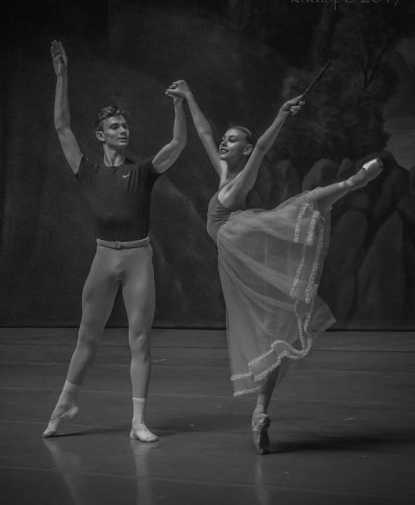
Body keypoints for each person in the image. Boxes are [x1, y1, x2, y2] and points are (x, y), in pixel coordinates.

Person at [166, 80, 383, 454]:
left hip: (236, 238)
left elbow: (263, 147)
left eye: (233, 140)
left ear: (246, 149)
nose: (224, 142)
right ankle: (260, 411)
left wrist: (281, 115)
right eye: (227, 139)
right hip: (238, 254)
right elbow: (204, 132)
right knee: (269, 331)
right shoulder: (223, 175)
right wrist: (188, 99)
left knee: (304, 207)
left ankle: (350, 182)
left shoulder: (241, 178)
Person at [42, 40, 187, 441]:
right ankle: (65, 402)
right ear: (100, 134)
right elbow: (61, 126)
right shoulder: (87, 171)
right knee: (87, 337)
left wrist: (180, 105)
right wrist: (62, 76)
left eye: (125, 126)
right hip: (104, 259)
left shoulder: (141, 172)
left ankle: (138, 421)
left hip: (138, 259)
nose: (123, 130)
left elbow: (177, 145)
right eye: (115, 127)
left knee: (139, 339)